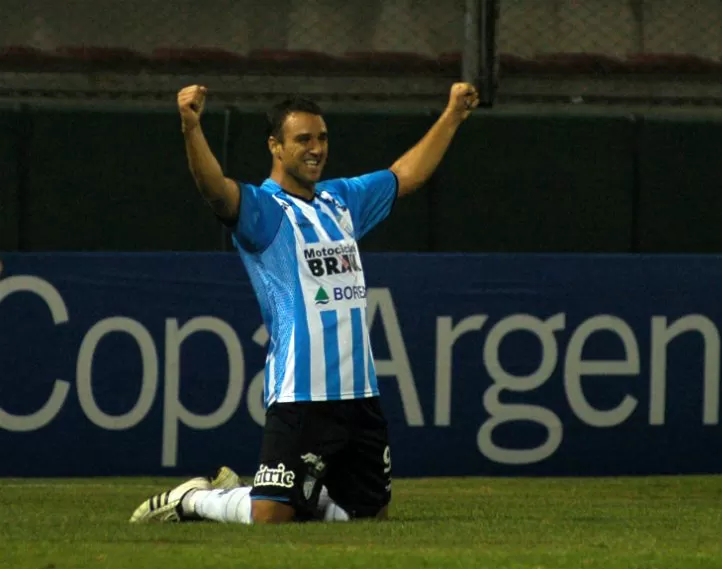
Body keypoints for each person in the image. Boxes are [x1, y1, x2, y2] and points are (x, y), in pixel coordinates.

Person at [129, 81, 479, 525]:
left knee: (369, 519)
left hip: (361, 394)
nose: (316, 149)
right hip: (302, 393)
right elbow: (214, 188)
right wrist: (191, 127)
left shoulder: (341, 201)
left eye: (322, 138)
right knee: (270, 517)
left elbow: (405, 175)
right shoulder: (264, 210)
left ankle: (303, 497)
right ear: (275, 146)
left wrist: (451, 115)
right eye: (303, 140)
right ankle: (195, 499)